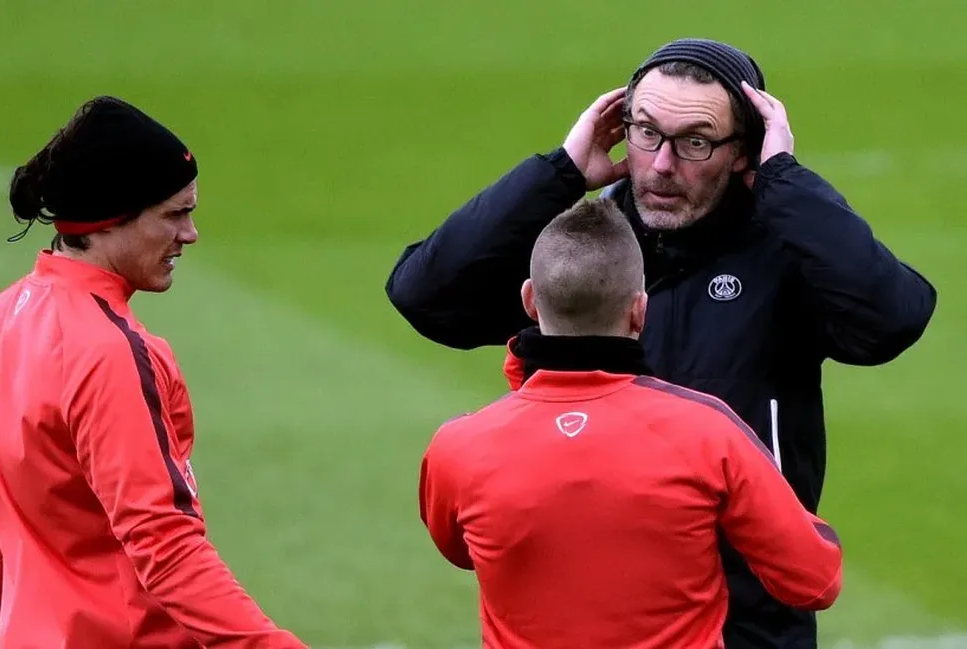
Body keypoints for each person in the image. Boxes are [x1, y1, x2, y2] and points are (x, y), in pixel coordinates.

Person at [388, 38, 936, 648]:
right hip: (594, 616)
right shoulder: (589, 252)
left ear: (742, 152)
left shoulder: (785, 252)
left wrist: (785, 183)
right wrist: (558, 174)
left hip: (752, 617)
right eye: (644, 131)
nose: (662, 165)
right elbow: (424, 297)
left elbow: (893, 320)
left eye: (695, 141)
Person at [419, 197, 844, 649]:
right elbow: (814, 580)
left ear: (529, 300)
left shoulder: (458, 448)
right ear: (641, 310)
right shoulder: (709, 434)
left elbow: (462, 551)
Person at [0, 96, 307, 648]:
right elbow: (164, 540)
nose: (191, 233)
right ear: (110, 217)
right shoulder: (110, 351)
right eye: (174, 214)